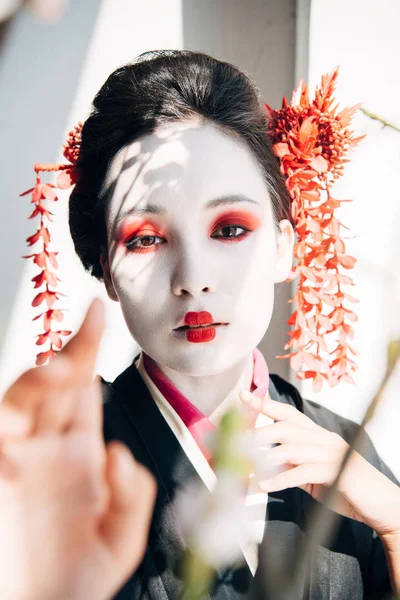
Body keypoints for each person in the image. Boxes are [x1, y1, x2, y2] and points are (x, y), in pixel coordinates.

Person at [1, 50, 400, 599]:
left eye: (230, 229)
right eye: (145, 239)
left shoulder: (346, 451)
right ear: (108, 275)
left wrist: (397, 529)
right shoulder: (65, 461)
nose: (193, 279)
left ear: (285, 249)